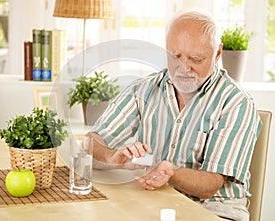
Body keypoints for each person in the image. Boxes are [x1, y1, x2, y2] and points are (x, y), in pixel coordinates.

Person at [87, 10, 262, 221]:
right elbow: (90, 142)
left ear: (217, 53)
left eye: (195, 59)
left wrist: (171, 172)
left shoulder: (236, 103)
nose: (184, 68)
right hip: (157, 203)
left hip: (214, 211)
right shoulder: (143, 89)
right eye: (175, 56)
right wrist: (112, 157)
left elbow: (210, 185)